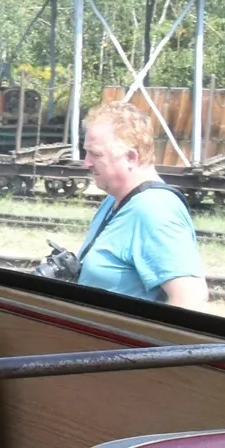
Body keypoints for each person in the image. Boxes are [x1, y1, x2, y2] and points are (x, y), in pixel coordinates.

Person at [70, 102, 208, 309]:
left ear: (131, 157)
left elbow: (190, 300)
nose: (86, 163)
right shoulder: (116, 200)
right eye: (86, 153)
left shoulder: (154, 209)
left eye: (96, 154)